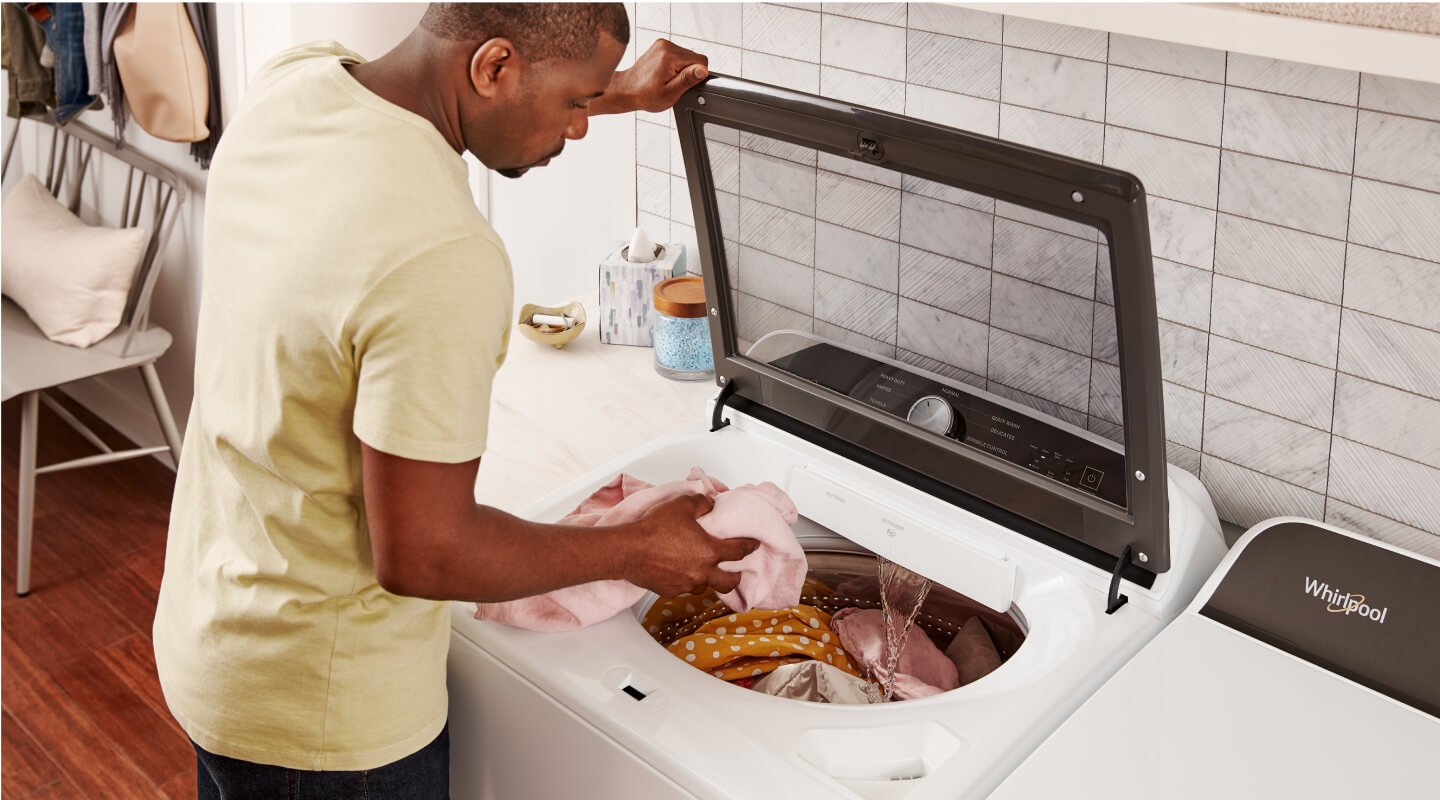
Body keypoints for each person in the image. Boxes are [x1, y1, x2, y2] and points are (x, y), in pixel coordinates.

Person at [152, 4, 752, 797]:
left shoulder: (294, 88)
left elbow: (461, 87)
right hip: (330, 722)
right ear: (495, 68)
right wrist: (637, 548)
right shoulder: (444, 253)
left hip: (217, 639)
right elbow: (424, 554)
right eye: (575, 102)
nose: (577, 130)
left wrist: (615, 93)